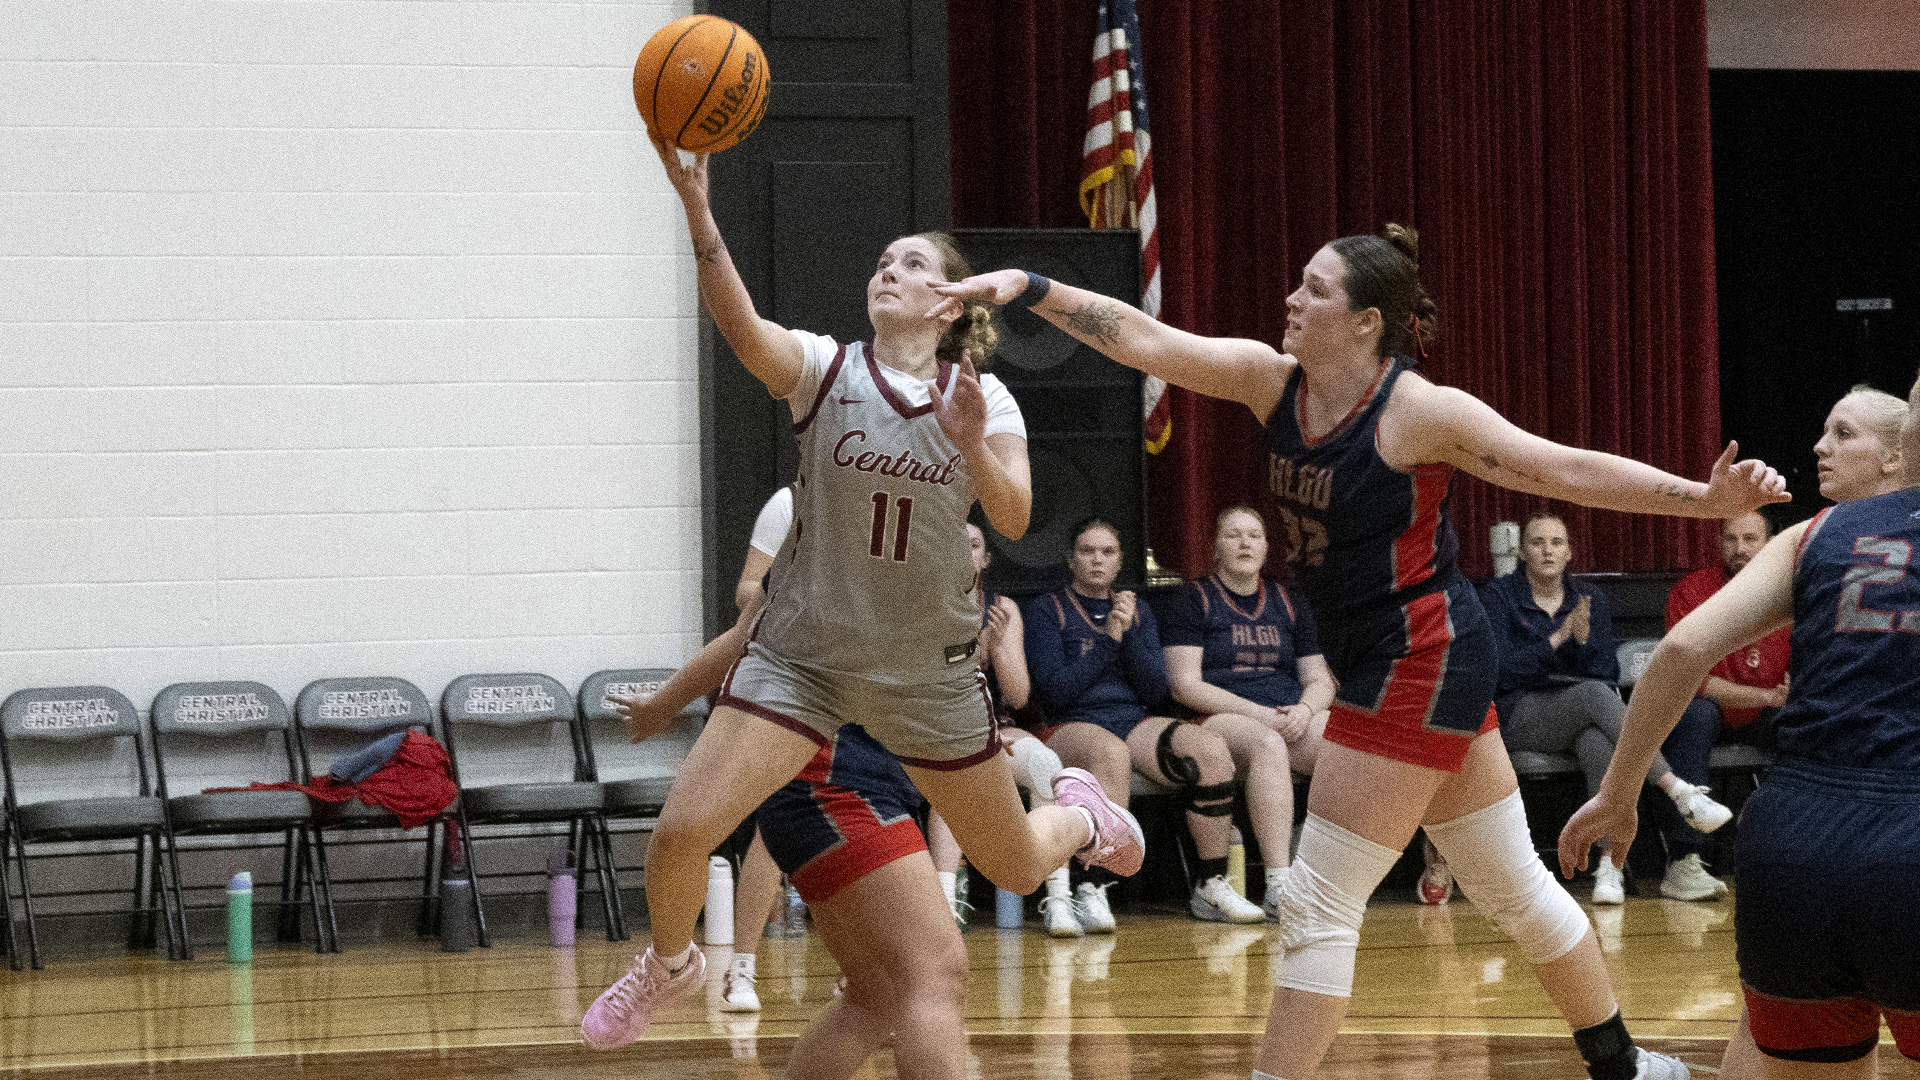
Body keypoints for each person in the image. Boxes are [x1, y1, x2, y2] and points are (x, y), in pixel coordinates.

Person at [932, 223, 1786, 1080]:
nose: (1293, 301)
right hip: (1389, 660)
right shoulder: (1272, 383)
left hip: (1425, 655)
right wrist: (1033, 288)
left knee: (1316, 900)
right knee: (1515, 889)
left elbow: (1560, 471)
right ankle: (1625, 1066)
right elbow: (1145, 337)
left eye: (1315, 289)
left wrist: (1704, 503)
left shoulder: (1419, 413)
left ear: (1367, 321)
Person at [581, 135, 1145, 1050]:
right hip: (805, 660)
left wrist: (966, 441)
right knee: (683, 828)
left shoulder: (988, 402)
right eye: (883, 262)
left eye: (914, 262)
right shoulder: (827, 369)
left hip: (924, 674)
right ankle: (672, 965)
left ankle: (1081, 812)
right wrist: (698, 216)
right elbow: (741, 330)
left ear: (951, 302)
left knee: (1007, 863)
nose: (891, 269)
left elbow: (1012, 515)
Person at [1559, 370, 1920, 1079]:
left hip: (1794, 844)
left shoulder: (1814, 535)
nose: (1823, 446)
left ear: (1904, 439)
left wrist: (1621, 790)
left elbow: (1680, 651)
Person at [614, 624, 971, 1080]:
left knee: (876, 993)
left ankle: (1082, 818)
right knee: (935, 973)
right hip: (834, 786)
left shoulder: (947, 593)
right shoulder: (830, 563)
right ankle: (683, 964)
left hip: (869, 780)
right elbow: (751, 619)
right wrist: (665, 702)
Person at [1026, 518, 1268, 928]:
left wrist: (1130, 632)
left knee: (1209, 749)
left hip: (1132, 718)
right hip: (1068, 723)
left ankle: (1211, 883)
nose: (1098, 560)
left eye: (1108, 552)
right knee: (1109, 752)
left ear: (1120, 562)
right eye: (1087, 551)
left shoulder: (1135, 609)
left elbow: (1156, 690)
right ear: (1071, 560)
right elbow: (1054, 692)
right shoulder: (1047, 609)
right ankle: (1093, 886)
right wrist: (1109, 640)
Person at [1481, 512, 1733, 905]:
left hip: (1582, 710)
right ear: (1522, 553)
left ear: (1569, 553)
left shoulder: (1588, 599)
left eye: (1556, 543)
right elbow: (1501, 673)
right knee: (1596, 698)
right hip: (1520, 714)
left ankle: (1608, 868)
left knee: (1597, 739)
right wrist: (1560, 639)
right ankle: (1678, 789)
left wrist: (1581, 643)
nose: (1547, 551)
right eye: (1537, 543)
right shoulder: (1499, 597)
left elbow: (1604, 670)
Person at [1160, 505, 1334, 918]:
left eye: (1254, 536)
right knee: (1267, 743)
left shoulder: (1287, 599)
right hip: (1221, 715)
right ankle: (1278, 884)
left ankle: (1328, 871)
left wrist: (1305, 711)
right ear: (1216, 547)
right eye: (1233, 535)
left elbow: (1321, 679)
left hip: (1288, 713)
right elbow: (1184, 684)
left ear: (1267, 547)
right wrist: (1261, 714)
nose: (1244, 544)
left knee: (1348, 744)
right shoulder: (1193, 598)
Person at [925, 524, 1081, 938]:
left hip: (999, 730)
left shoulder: (1003, 607)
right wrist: (975, 649)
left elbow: (1019, 694)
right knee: (952, 772)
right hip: (937, 731)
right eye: (955, 544)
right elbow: (930, 685)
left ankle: (1059, 899)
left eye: (974, 545)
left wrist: (996, 646)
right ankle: (944, 903)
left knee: (1049, 764)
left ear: (986, 558)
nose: (964, 553)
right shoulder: (922, 603)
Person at [1655, 511, 1787, 903]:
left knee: (1803, 719)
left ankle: (1793, 851)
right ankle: (1683, 861)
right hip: (1709, 711)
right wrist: (1764, 696)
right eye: (1731, 539)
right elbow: (1692, 681)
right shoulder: (1691, 592)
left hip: (1765, 714)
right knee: (1695, 713)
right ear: (1719, 543)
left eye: (1750, 539)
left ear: (1768, 543)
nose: (1740, 549)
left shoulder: (1788, 593)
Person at [1813, 384, 1908, 504]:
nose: (1819, 447)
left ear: (1892, 459)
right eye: (1825, 433)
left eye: (1844, 433)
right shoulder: (1821, 522)